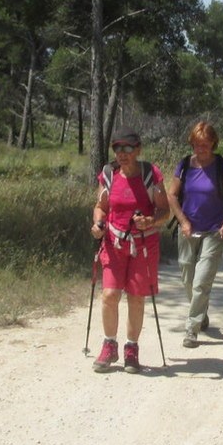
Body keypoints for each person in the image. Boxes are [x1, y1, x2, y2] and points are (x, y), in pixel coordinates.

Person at [90, 128, 171, 374]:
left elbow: (164, 211)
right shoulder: (108, 175)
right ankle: (109, 344)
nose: (122, 154)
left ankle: (131, 349)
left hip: (143, 246)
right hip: (114, 243)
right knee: (110, 295)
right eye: (117, 148)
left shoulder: (150, 175)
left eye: (127, 148)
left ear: (138, 150)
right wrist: (98, 224)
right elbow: (100, 207)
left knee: (136, 297)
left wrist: (150, 221)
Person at [166, 121, 223, 349]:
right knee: (187, 278)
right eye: (197, 144)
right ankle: (201, 312)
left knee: (201, 282)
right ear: (192, 143)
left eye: (206, 145)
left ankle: (192, 328)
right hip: (188, 229)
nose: (201, 149)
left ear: (213, 143)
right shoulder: (184, 166)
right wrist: (183, 221)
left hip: (214, 231)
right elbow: (172, 195)